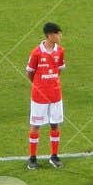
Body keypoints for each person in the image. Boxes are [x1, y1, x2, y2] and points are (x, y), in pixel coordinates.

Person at [25, 21, 65, 169]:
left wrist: (51, 82)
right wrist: (38, 84)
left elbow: (58, 69)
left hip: (55, 94)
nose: (60, 36)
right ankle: (32, 158)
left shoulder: (60, 51)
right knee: (35, 125)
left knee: (55, 124)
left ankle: (54, 156)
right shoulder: (36, 53)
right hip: (39, 95)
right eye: (57, 33)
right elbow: (30, 72)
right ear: (50, 35)